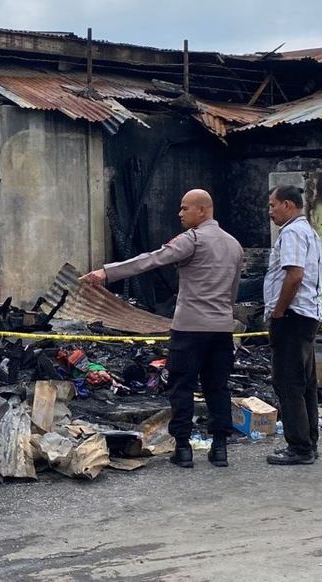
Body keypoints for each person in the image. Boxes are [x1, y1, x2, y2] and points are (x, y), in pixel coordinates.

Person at [81, 189, 243, 469]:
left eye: (184, 208)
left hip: (189, 328)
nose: (180, 214)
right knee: (218, 387)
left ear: (202, 210)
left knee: (182, 386)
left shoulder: (192, 239)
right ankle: (219, 449)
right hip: (221, 329)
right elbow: (233, 290)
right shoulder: (234, 245)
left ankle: (182, 448)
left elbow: (152, 259)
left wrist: (107, 273)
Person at [263, 186, 322, 466]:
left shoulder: (291, 233)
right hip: (306, 316)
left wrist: (278, 311)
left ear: (288, 204)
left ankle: (299, 447)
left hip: (292, 317)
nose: (270, 210)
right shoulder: (309, 231)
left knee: (288, 382)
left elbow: (294, 276)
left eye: (273, 204)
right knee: (305, 382)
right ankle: (309, 441)